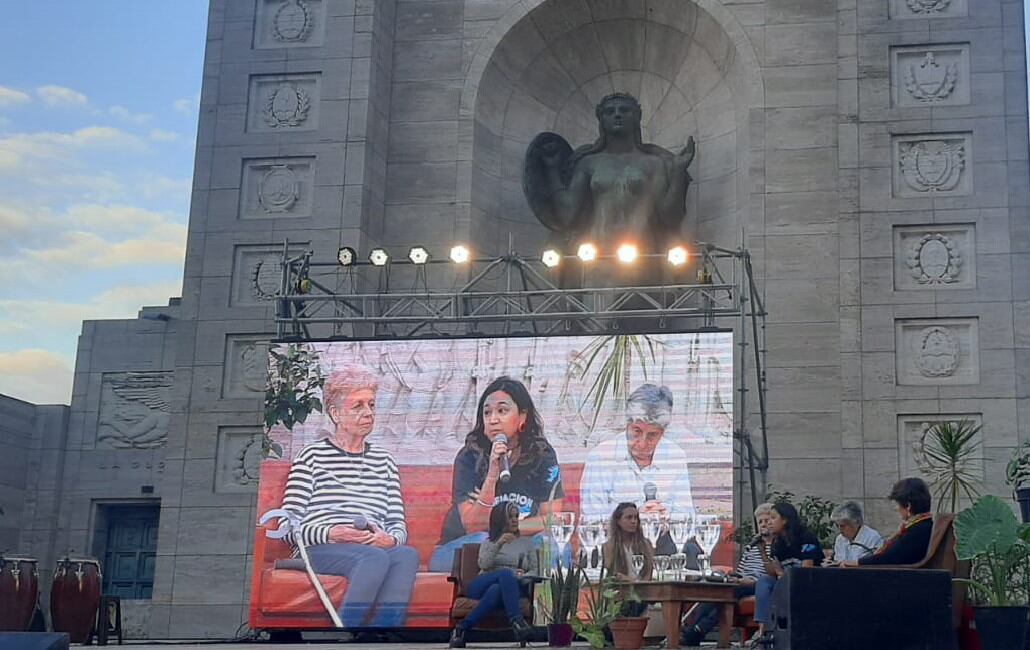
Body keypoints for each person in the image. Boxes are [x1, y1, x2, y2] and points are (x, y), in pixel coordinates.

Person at [282, 365, 419, 628]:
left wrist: (389, 539)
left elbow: (397, 524)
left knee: (406, 555)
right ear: (335, 414)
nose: (368, 413)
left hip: (371, 547)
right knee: (373, 558)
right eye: (358, 406)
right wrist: (333, 533)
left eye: (371, 405)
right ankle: (343, 636)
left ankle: (383, 635)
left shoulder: (385, 461)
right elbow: (288, 526)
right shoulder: (311, 457)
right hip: (318, 548)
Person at [524, 92, 695, 252]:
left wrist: (678, 173)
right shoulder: (588, 163)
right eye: (609, 111)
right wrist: (552, 170)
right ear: (602, 120)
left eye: (624, 110)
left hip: (644, 252)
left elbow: (671, 218)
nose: (617, 114)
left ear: (637, 117)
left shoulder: (653, 163)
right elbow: (567, 216)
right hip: (597, 252)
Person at [430, 377, 564, 572]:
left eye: (502, 411)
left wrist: (510, 529)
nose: (493, 419)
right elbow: (474, 526)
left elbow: (553, 520)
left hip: (516, 543)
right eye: (487, 412)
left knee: (555, 546)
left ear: (523, 416)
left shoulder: (542, 456)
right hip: (461, 547)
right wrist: (493, 473)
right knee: (483, 542)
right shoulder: (469, 457)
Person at [580, 384, 695, 555]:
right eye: (637, 431)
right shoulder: (601, 457)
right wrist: (633, 519)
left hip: (662, 547)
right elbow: (590, 523)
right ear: (627, 425)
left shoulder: (676, 456)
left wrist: (667, 520)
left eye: (652, 435)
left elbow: (688, 521)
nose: (642, 443)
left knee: (691, 550)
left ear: (663, 432)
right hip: (615, 549)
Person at [681, 503, 775, 646]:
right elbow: (741, 570)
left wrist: (747, 581)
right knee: (716, 591)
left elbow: (772, 575)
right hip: (741, 582)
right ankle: (694, 630)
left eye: (766, 521)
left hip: (757, 585)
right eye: (760, 521)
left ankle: (696, 631)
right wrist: (733, 576)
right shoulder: (752, 547)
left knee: (726, 594)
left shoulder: (777, 547)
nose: (763, 524)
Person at [449, 502, 536, 648]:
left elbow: (534, 570)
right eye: (510, 517)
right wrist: (499, 543)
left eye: (516, 516)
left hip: (512, 587)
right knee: (505, 574)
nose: (515, 520)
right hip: (482, 584)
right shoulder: (489, 542)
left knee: (496, 590)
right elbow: (484, 564)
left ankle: (461, 629)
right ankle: (517, 620)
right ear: (500, 519)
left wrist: (522, 577)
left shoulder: (526, 543)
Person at [751, 502, 823, 647]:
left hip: (808, 585)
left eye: (773, 518)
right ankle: (763, 631)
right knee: (764, 581)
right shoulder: (778, 542)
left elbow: (805, 572)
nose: (769, 523)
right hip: (785, 582)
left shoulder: (806, 538)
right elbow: (772, 573)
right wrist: (763, 552)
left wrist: (780, 574)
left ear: (785, 520)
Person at [841, 478, 933, 567]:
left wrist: (858, 563)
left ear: (908, 506)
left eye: (897, 504)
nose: (896, 508)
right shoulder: (922, 526)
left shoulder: (918, 531)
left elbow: (889, 558)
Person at [602, 503, 654, 617]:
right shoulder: (609, 546)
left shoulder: (646, 544)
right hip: (620, 596)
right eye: (629, 517)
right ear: (618, 521)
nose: (633, 521)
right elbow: (613, 575)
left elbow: (648, 577)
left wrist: (631, 580)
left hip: (642, 595)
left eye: (636, 518)